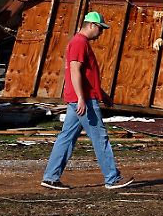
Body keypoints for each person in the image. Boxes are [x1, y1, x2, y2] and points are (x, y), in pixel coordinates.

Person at [41, 11, 133, 190]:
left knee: (67, 137)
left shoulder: (79, 42)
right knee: (100, 137)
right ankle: (112, 178)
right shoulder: (79, 43)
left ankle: (51, 177)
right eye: (100, 29)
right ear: (91, 25)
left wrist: (102, 93)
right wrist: (82, 98)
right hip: (83, 100)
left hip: (80, 98)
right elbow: (75, 71)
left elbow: (87, 76)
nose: (101, 33)